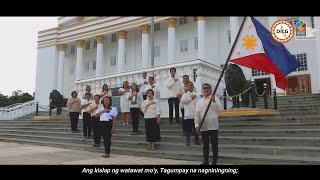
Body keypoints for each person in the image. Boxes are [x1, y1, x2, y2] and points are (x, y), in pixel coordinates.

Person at [195, 83, 222, 165]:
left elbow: (220, 110)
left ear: (211, 90)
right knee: (205, 145)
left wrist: (214, 101)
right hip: (204, 125)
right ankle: (205, 161)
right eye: (204, 88)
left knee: (214, 145)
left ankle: (214, 161)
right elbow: (197, 114)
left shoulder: (215, 98)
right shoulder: (199, 101)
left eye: (207, 88)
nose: (206, 89)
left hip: (213, 126)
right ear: (203, 91)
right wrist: (197, 125)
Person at [180, 82, 201, 146]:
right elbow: (183, 102)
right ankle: (187, 140)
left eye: (191, 85)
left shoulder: (197, 95)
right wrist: (190, 98)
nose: (190, 86)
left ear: (193, 86)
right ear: (187, 87)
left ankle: (197, 140)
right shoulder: (184, 95)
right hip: (188, 115)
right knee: (188, 130)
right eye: (189, 85)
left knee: (196, 129)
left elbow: (199, 104)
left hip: (195, 115)